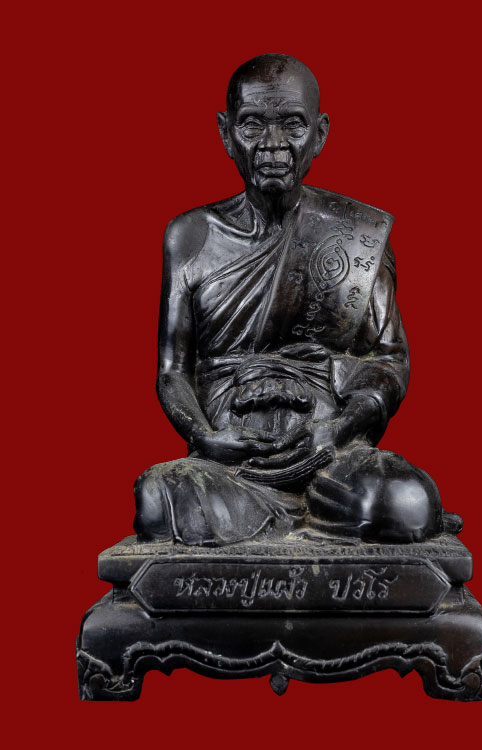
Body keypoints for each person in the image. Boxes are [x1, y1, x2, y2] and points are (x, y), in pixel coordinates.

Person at [133, 53, 443, 546]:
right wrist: (204, 437)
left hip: (330, 453)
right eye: (252, 124)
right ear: (226, 133)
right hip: (230, 462)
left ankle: (301, 520)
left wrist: (338, 430)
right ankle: (298, 525)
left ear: (319, 135)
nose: (273, 143)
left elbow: (388, 362)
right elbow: (173, 370)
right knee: (157, 498)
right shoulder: (189, 236)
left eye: (292, 124)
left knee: (407, 501)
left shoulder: (356, 236)